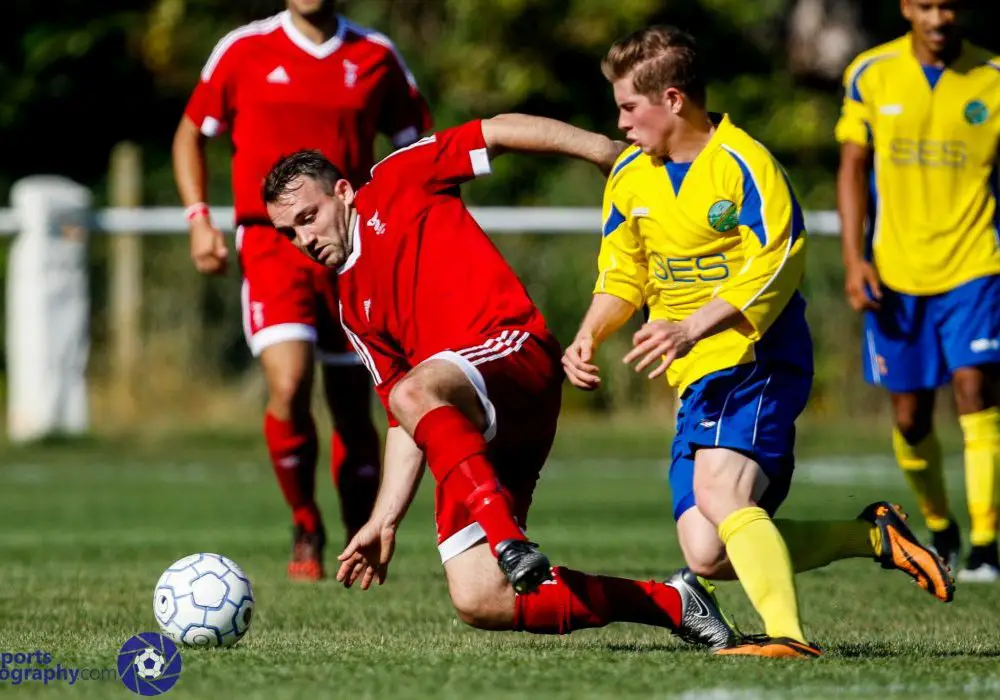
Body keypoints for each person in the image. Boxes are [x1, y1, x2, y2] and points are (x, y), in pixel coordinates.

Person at [262, 113, 741, 651]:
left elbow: (498, 131)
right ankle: (674, 603)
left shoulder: (398, 176)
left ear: (344, 192)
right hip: (466, 425)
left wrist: (604, 151)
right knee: (480, 597)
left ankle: (509, 540)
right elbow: (405, 421)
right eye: (289, 232)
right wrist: (383, 521)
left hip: (515, 354)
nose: (304, 238)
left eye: (309, 216)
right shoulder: (351, 306)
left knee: (415, 391)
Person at [562, 25, 954, 659]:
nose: (621, 123)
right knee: (707, 553)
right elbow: (623, 273)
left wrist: (691, 325)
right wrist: (587, 334)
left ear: (673, 100)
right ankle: (873, 538)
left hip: (756, 357)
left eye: (629, 107)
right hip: (694, 376)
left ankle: (789, 639)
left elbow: (779, 263)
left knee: (722, 495)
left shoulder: (745, 164)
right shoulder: (631, 176)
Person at [172, 0, 432, 581]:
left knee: (353, 403)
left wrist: (406, 221)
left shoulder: (374, 55)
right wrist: (198, 218)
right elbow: (191, 133)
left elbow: (419, 141)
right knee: (289, 384)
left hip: (349, 247)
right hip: (271, 246)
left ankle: (358, 534)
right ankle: (304, 522)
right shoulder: (244, 50)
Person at [835, 0, 1000, 583]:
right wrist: (856, 259)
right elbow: (852, 167)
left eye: (951, 4)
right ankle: (941, 527)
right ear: (906, 7)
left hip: (976, 263)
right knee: (909, 417)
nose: (939, 17)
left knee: (975, 391)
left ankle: (985, 544)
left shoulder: (993, 78)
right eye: (926, 5)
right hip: (897, 273)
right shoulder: (870, 73)